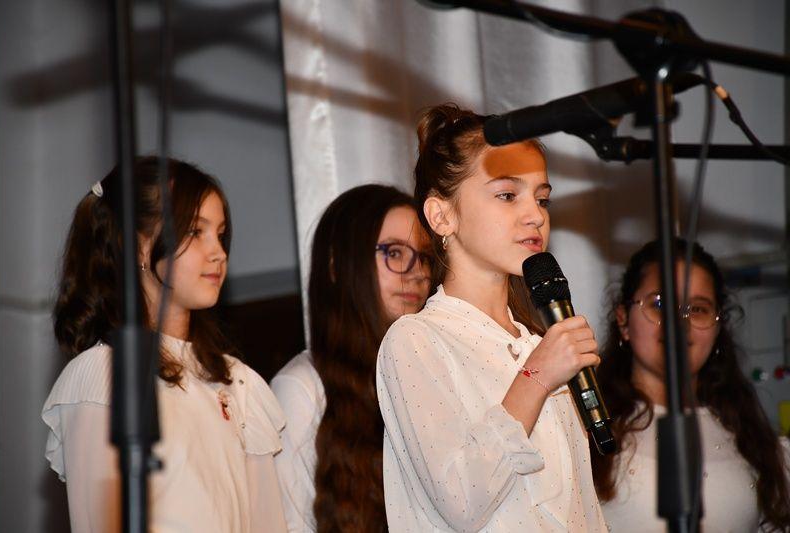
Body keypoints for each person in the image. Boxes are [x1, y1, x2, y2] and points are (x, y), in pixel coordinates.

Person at [376, 103, 607, 531]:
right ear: (441, 215)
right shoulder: (415, 340)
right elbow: (461, 501)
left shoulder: (537, 344)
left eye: (542, 199)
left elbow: (581, 510)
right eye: (507, 195)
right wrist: (537, 377)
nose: (535, 215)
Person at [42, 157, 287, 532]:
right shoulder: (105, 372)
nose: (218, 252)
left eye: (220, 234)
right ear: (139, 246)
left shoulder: (239, 382)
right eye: (195, 232)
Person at [591, 238, 790, 532]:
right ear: (623, 320)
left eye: (697, 309)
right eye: (660, 304)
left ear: (718, 326)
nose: (678, 323)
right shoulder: (588, 432)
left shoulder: (754, 442)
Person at [271, 184, 432, 533]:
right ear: (337, 265)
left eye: (424, 256)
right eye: (394, 253)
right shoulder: (301, 388)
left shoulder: (428, 375)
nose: (417, 273)